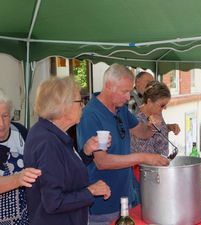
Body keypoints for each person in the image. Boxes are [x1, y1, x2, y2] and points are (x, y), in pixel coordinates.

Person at [76, 63, 169, 225]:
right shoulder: (90, 115)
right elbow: (102, 162)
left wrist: (154, 125)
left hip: (126, 198)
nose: (129, 96)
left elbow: (142, 132)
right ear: (108, 86)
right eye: (124, 91)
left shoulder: (121, 109)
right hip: (103, 205)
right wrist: (143, 157)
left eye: (129, 90)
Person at [23, 77, 111, 225]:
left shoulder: (51, 133)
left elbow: (64, 174)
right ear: (63, 106)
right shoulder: (48, 142)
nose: (83, 106)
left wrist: (86, 152)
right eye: (79, 101)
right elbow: (53, 202)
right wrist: (91, 191)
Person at [0, 88, 41, 225]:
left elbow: (37, 160)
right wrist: (19, 178)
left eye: (5, 116)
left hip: (25, 213)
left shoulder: (20, 131)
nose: (1, 123)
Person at [131, 80, 180, 156]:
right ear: (149, 101)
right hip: (147, 167)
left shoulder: (157, 113)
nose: (165, 108)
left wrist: (169, 127)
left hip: (162, 165)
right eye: (162, 105)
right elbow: (140, 153)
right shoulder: (137, 121)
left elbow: (159, 132)